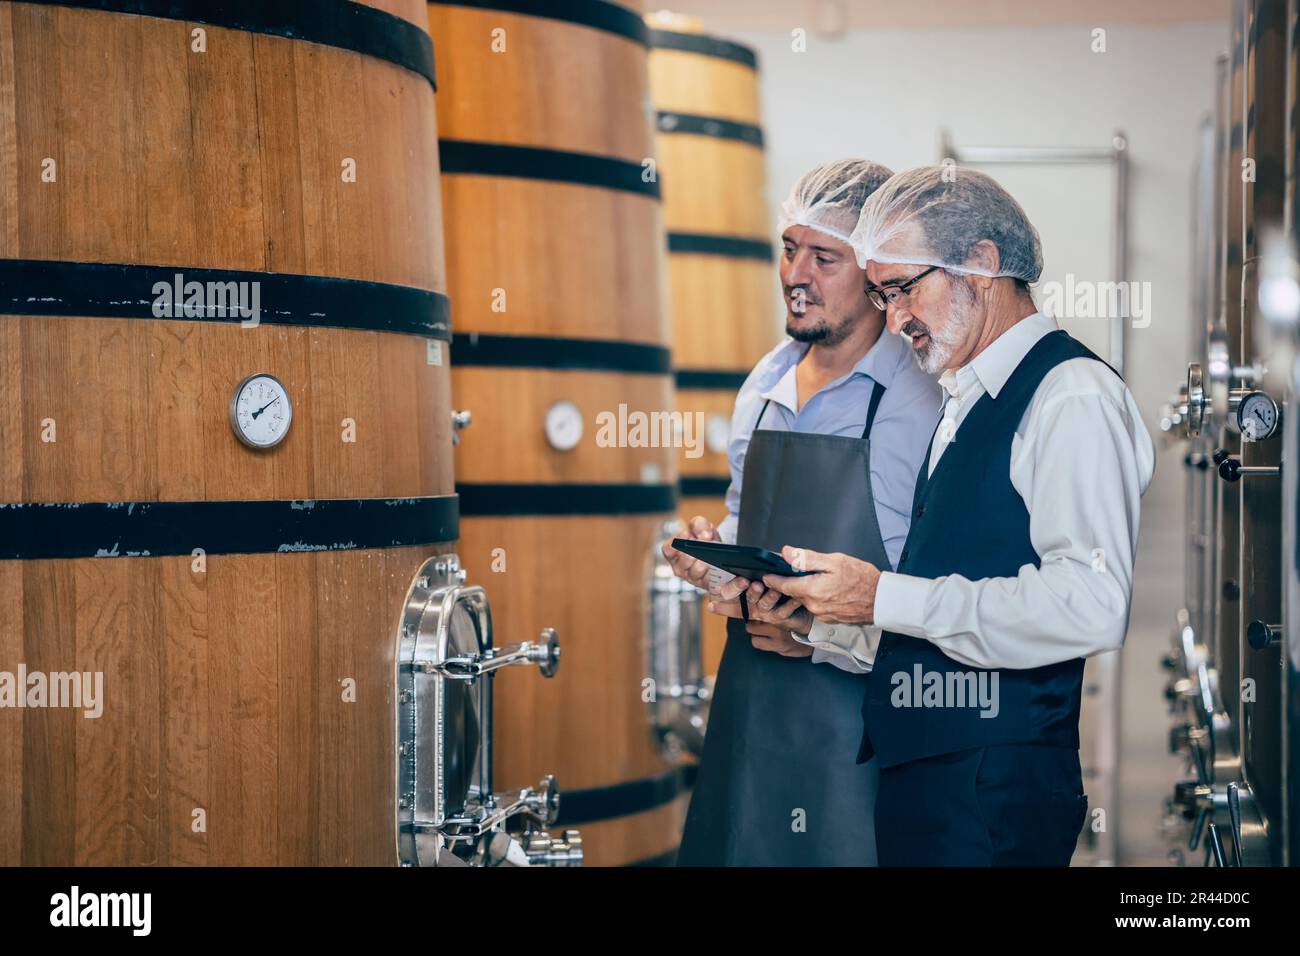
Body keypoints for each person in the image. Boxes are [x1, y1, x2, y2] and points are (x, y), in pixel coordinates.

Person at [719, 164, 1156, 866]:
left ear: (981, 264)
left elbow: (1091, 603)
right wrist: (824, 630)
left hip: (993, 793)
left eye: (904, 289)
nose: (894, 318)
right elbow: (950, 596)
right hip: (927, 786)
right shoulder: (964, 397)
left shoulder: (1070, 394)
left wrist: (880, 595)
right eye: (884, 294)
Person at [662, 159, 942, 866]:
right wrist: (710, 554)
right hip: (752, 712)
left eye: (824, 257)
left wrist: (825, 634)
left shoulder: (919, 398)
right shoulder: (764, 380)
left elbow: (939, 590)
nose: (796, 273)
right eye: (788, 249)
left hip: (863, 729)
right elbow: (743, 522)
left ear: (876, 271)